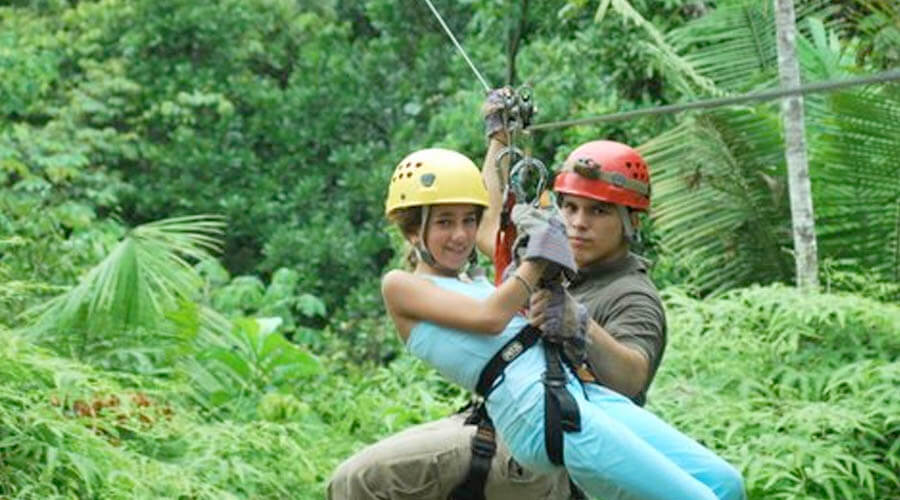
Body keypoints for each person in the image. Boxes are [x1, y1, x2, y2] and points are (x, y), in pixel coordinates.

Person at [330, 146, 745, 500]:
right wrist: (536, 260)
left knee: (726, 484)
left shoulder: (471, 281)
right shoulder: (402, 286)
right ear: (411, 230)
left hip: (574, 395)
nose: (460, 234)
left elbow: (492, 225)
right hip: (540, 414)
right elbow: (490, 317)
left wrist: (498, 143)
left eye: (467, 220)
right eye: (443, 222)